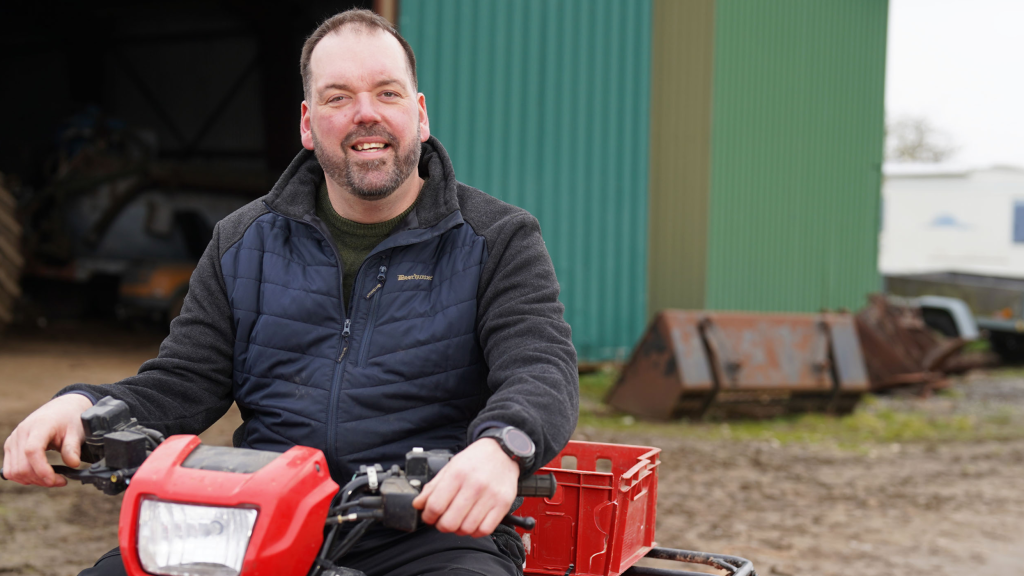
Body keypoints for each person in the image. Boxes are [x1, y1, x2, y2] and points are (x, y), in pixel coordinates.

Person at [2, 9, 578, 576]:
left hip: (431, 530)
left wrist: (502, 447)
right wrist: (83, 405)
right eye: (338, 97)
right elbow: (183, 379)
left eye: (388, 93)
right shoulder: (241, 240)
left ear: (420, 114)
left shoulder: (499, 238)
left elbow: (541, 368)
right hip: (258, 515)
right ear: (307, 123)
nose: (366, 115)